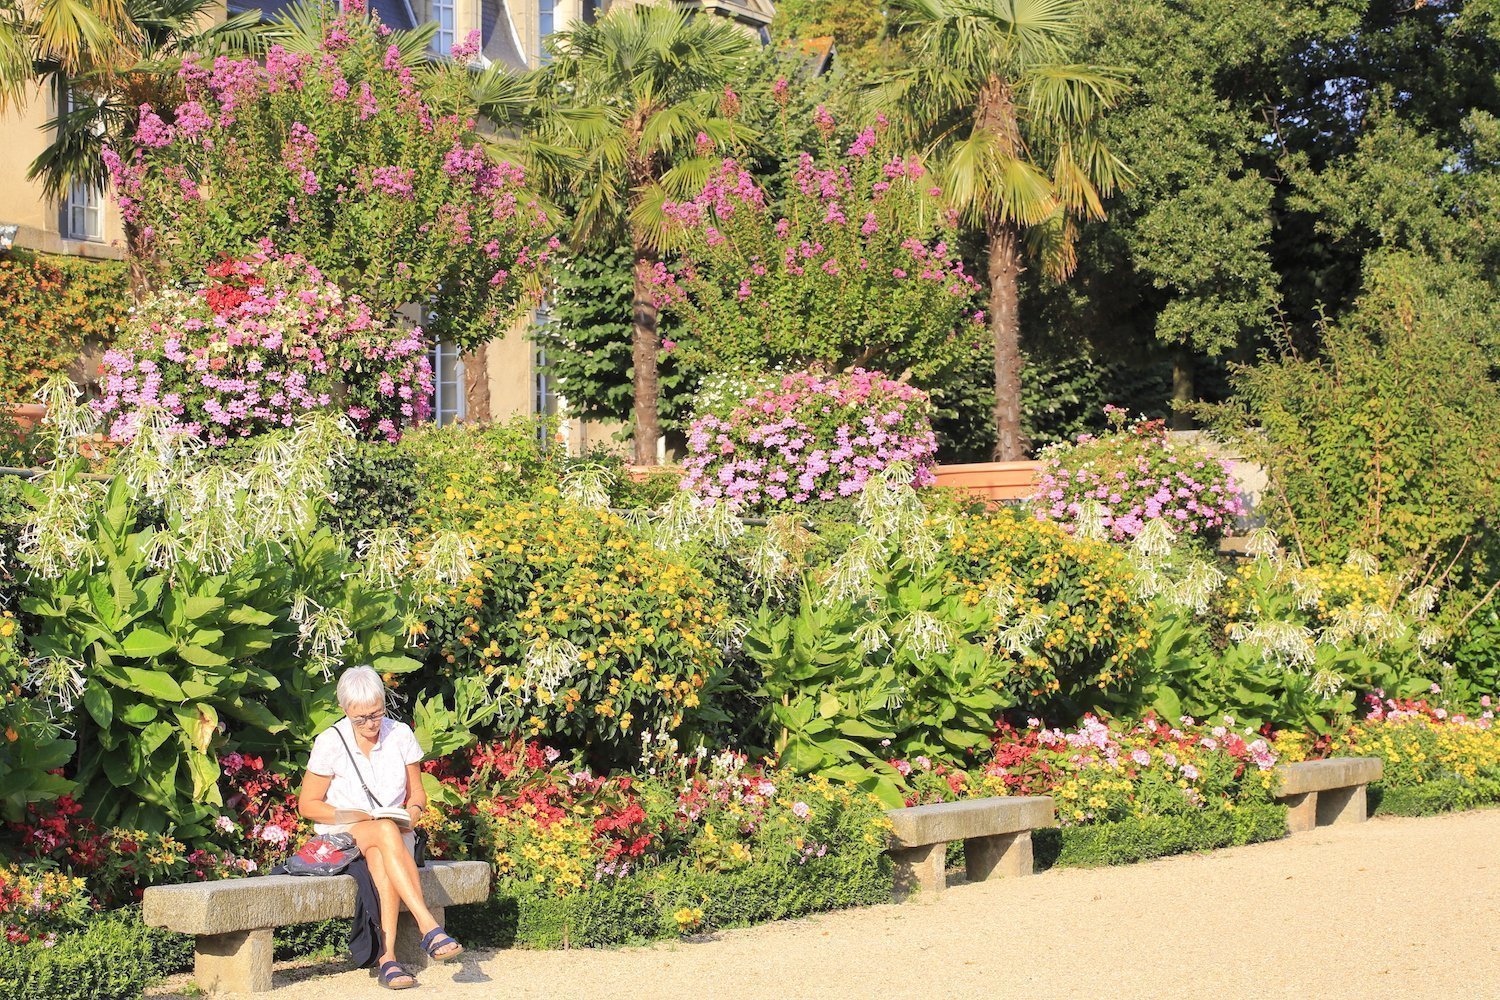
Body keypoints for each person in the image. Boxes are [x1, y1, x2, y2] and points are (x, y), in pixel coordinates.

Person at [298, 666, 463, 990]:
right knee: (384, 832)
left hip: (392, 836)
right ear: (345, 710)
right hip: (344, 836)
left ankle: (388, 960)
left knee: (382, 848)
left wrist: (413, 812)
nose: (371, 724)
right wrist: (353, 815)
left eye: (376, 714)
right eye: (361, 718)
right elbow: (308, 805)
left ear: (383, 704)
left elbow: (417, 794)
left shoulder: (400, 734)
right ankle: (426, 925)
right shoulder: (330, 742)